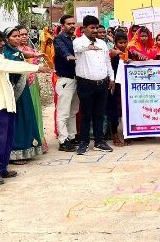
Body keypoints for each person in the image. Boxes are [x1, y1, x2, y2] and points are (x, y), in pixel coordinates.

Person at [0, 28, 51, 184]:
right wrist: (37, 68)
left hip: (8, 102)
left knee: (7, 138)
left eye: (2, 40)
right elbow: (9, 66)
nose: (2, 44)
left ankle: (2, 168)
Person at [3, 26, 46, 164]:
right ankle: (16, 151)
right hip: (14, 91)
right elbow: (14, 68)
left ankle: (27, 147)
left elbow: (23, 54)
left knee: (27, 116)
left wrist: (35, 55)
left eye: (19, 36)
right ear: (7, 39)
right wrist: (37, 68)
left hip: (23, 88)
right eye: (14, 36)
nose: (18, 38)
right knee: (18, 119)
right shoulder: (6, 53)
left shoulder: (15, 51)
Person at [74, 15, 116, 155]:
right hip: (85, 84)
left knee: (99, 114)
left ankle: (99, 142)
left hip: (102, 84)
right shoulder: (78, 42)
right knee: (86, 114)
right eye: (92, 28)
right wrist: (89, 47)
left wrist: (112, 78)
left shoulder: (102, 43)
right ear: (84, 28)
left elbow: (107, 62)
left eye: (97, 27)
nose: (95, 30)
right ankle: (84, 142)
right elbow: (78, 49)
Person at [18, 27, 49, 154]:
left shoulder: (32, 50)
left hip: (32, 83)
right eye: (21, 35)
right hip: (19, 84)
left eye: (26, 34)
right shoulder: (12, 52)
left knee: (35, 110)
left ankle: (39, 140)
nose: (24, 37)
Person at [54, 14, 79, 152]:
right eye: (69, 24)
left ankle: (71, 136)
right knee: (63, 112)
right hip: (65, 79)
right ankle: (63, 141)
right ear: (62, 26)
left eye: (73, 23)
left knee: (73, 111)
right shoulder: (59, 39)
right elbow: (62, 50)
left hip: (76, 79)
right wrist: (68, 56)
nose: (72, 26)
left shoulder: (75, 39)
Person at [108, 32, 130, 146]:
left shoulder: (129, 52)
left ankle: (127, 135)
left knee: (126, 110)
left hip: (126, 86)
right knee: (114, 111)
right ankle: (115, 135)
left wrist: (130, 61)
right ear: (115, 43)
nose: (123, 45)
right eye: (120, 43)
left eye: (125, 42)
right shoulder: (112, 53)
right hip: (115, 86)